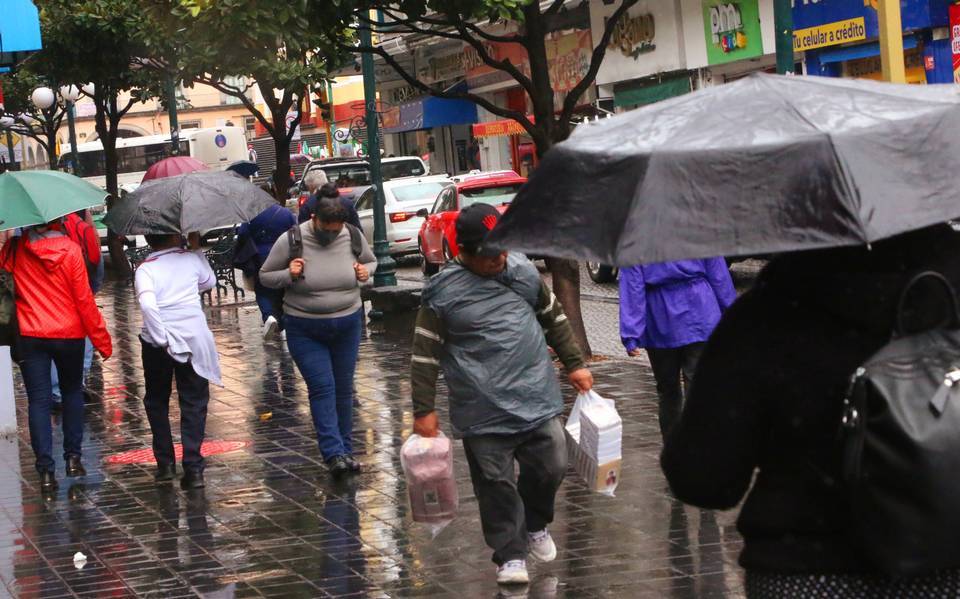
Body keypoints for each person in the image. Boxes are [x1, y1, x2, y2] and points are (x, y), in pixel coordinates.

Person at [661, 224, 960, 597]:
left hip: (805, 571)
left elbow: (703, 479)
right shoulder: (948, 294)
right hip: (942, 565)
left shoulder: (767, 314)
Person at [410, 203, 593, 585]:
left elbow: (553, 317)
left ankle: (535, 523)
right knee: (495, 485)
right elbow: (424, 352)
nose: (501, 260)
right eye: (492, 255)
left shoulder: (523, 272)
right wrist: (423, 409)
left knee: (553, 464)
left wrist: (574, 363)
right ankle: (509, 555)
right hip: (481, 406)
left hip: (536, 397)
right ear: (466, 252)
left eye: (504, 250)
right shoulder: (442, 291)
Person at [259, 197, 376, 477]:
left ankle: (346, 450)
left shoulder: (353, 236)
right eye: (326, 228)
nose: (331, 235)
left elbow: (372, 264)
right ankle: (333, 453)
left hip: (347, 324)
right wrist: (288, 273)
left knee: (344, 388)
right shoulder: (292, 240)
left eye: (337, 230)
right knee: (323, 386)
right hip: (305, 326)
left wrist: (365, 272)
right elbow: (264, 276)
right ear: (315, 219)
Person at [0, 221, 112, 492]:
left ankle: (46, 472)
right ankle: (73, 457)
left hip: (31, 335)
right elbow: (84, 300)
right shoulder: (71, 250)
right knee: (72, 392)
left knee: (39, 401)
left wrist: (6, 237)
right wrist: (101, 340)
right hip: (69, 334)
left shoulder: (17, 250)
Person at [135, 232, 221, 490]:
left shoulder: (145, 269)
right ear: (175, 235)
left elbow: (149, 306)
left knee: (157, 400)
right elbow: (209, 282)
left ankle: (165, 465)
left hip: (156, 343)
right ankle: (193, 468)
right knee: (194, 401)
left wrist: (162, 339)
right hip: (193, 338)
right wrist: (196, 249)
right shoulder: (191, 259)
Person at [618, 259, 735, 440]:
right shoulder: (697, 232)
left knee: (668, 390)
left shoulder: (637, 240)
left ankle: (673, 446)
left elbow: (632, 286)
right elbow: (718, 275)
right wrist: (731, 312)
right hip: (701, 312)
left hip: (661, 317)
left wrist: (631, 333)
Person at [51, 209, 104, 406]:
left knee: (50, 348)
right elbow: (97, 263)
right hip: (82, 294)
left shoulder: (28, 234)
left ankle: (56, 393)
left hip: (47, 303)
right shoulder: (82, 225)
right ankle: (77, 384)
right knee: (84, 340)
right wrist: (91, 290)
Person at [237, 192, 296, 339]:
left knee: (263, 290)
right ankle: (284, 326)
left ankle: (269, 316)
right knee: (283, 290)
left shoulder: (252, 214)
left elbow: (243, 233)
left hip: (260, 256)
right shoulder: (286, 213)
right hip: (284, 255)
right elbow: (297, 231)